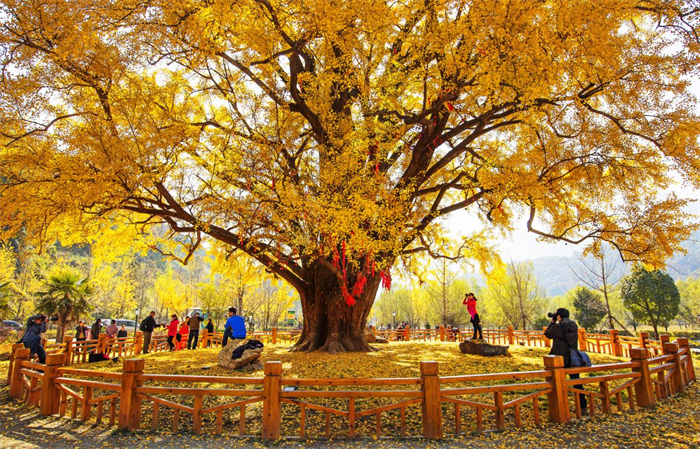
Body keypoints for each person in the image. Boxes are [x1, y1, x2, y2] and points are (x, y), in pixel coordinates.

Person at [544, 308, 588, 416]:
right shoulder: (573, 325)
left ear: (559, 317)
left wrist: (552, 323)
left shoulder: (558, 327)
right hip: (572, 359)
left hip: (558, 361)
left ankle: (560, 408)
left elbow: (547, 334)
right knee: (576, 382)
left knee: (557, 384)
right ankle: (583, 407)